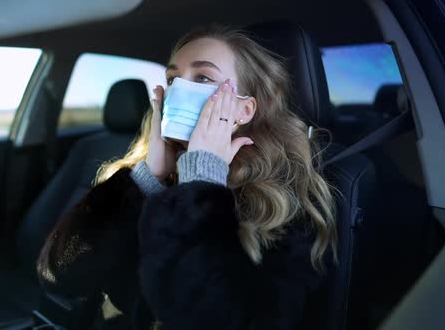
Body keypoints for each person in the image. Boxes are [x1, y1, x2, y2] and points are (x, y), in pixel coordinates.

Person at [37, 24, 337, 330]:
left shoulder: (283, 207)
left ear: (244, 110)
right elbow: (60, 276)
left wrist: (201, 181)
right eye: (172, 79)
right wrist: (146, 178)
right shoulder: (142, 178)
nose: (178, 89)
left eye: (203, 77)